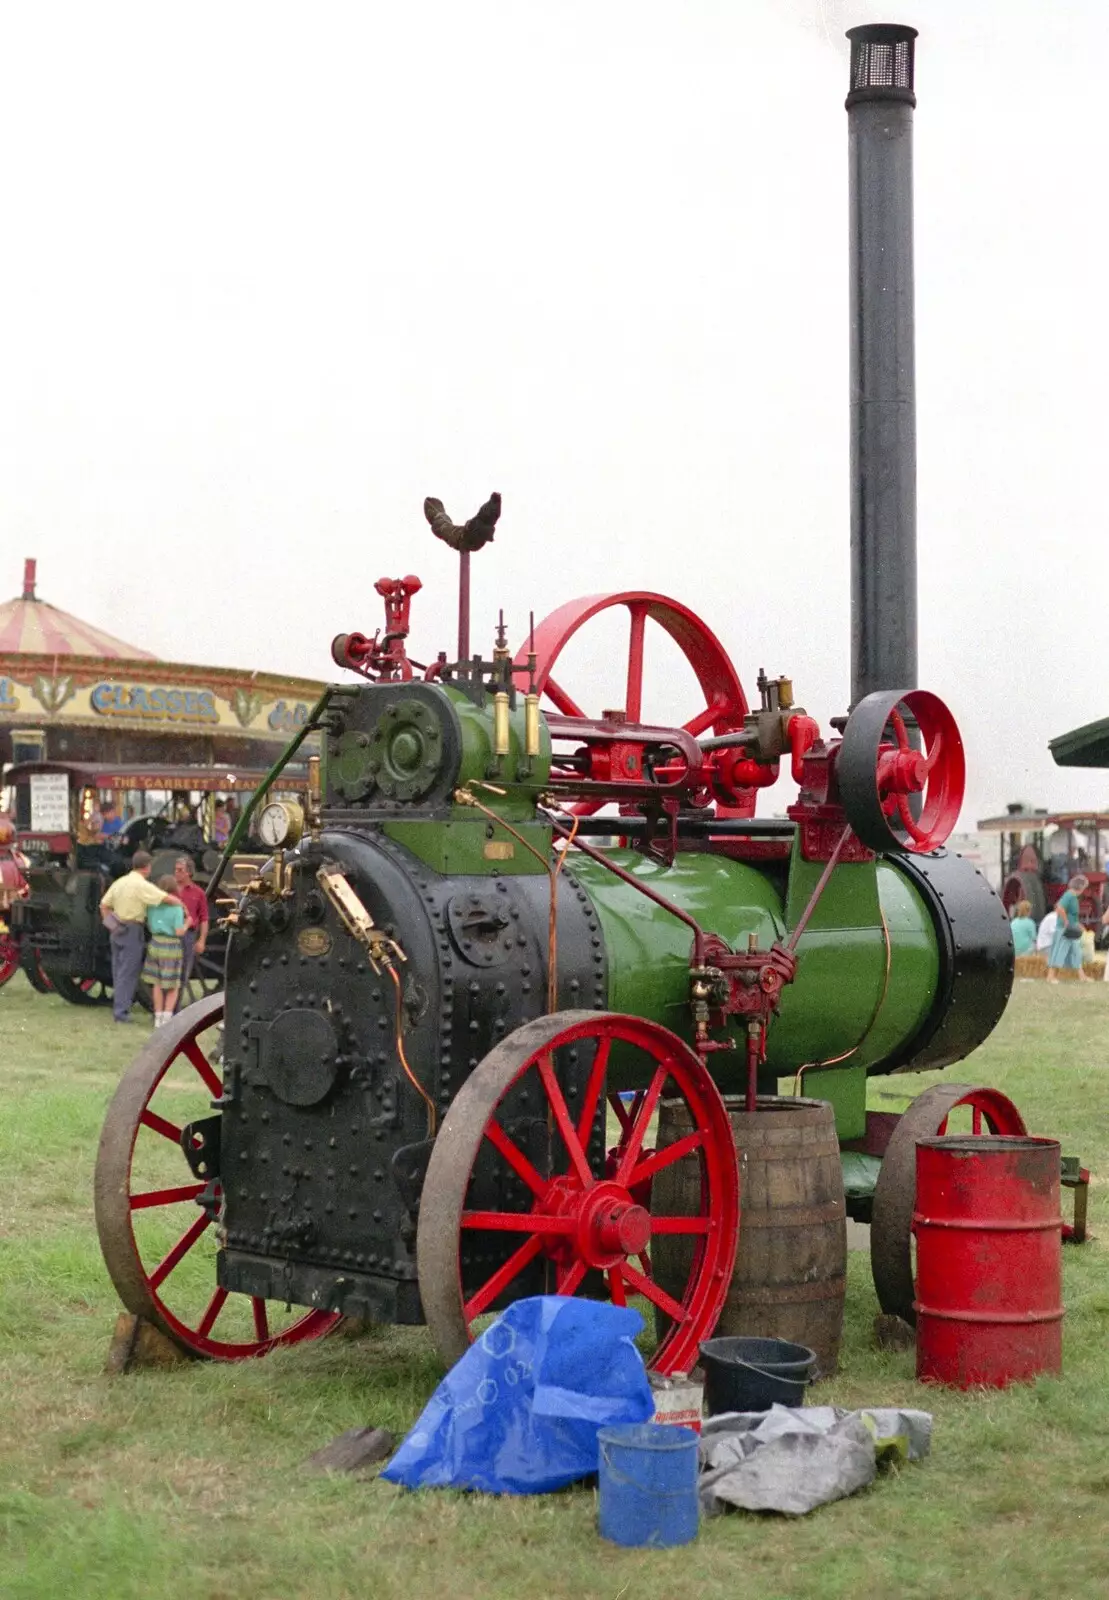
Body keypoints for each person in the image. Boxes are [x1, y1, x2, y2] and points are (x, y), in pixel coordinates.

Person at [99, 851, 183, 1023]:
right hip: (132, 929)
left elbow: (104, 905)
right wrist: (182, 906)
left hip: (117, 928)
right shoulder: (141, 885)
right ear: (147, 867)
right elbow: (165, 897)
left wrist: (112, 925)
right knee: (128, 973)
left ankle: (119, 1007)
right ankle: (121, 1013)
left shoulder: (120, 882)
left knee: (118, 970)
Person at [141, 875, 186, 1025]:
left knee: (157, 983)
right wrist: (188, 923)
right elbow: (179, 932)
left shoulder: (152, 906)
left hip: (155, 943)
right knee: (173, 985)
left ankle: (158, 1017)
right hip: (171, 945)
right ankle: (167, 1019)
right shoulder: (176, 908)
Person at [173, 855, 209, 992]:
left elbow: (204, 919)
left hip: (188, 936)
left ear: (189, 873)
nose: (176, 873)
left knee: (183, 973)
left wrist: (202, 940)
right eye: (175, 870)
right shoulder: (170, 891)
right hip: (170, 934)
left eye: (180, 870)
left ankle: (176, 1009)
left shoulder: (198, 893)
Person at [1047, 874, 1090, 983]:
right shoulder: (1069, 895)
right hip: (1065, 930)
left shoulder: (1072, 896)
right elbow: (1059, 908)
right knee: (1060, 951)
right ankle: (1051, 977)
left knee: (1076, 952)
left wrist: (1078, 924)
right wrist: (1066, 921)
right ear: (1080, 887)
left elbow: (1072, 914)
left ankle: (1082, 977)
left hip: (1072, 930)